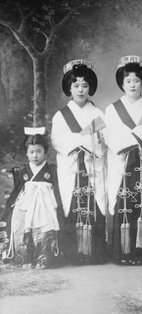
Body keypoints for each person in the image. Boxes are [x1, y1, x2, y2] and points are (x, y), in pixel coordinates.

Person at [104, 55, 142, 265]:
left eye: (136, 80)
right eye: (128, 80)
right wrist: (132, 137)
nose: (132, 84)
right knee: (123, 203)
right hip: (122, 162)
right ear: (122, 83)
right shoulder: (112, 109)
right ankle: (122, 253)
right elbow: (109, 135)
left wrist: (141, 135)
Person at [51, 59, 108, 265]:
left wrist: (91, 145)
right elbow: (57, 139)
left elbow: (103, 140)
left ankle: (96, 253)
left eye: (84, 85)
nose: (81, 90)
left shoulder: (98, 113)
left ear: (90, 87)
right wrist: (79, 142)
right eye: (76, 85)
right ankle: (72, 254)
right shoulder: (61, 115)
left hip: (91, 166)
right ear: (69, 88)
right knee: (72, 205)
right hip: (72, 165)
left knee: (94, 204)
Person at [0, 128, 62, 269]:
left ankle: (44, 257)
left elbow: (57, 190)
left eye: (39, 151)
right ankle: (27, 257)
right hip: (27, 204)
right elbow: (16, 192)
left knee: (46, 223)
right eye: (32, 152)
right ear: (27, 153)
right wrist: (8, 212)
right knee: (21, 222)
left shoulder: (51, 170)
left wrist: (59, 206)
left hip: (46, 204)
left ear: (45, 152)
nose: (35, 155)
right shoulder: (24, 171)